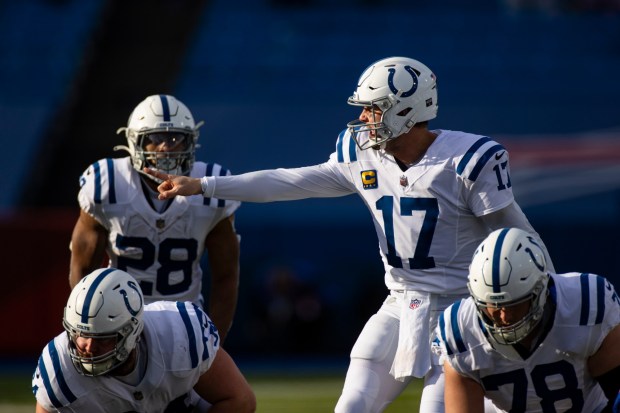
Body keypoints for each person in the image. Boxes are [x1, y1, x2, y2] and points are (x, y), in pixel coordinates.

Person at [144, 56, 555, 413]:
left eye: (373, 110)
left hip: (462, 310)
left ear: (406, 111)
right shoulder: (362, 154)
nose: (363, 119)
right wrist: (205, 186)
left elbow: (519, 236)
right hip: (402, 302)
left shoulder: (468, 160)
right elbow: (290, 181)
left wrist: (552, 296)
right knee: (351, 405)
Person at [69, 94, 241, 343]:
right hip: (116, 319)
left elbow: (226, 276)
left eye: (176, 138)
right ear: (135, 141)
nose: (166, 147)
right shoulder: (106, 184)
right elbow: (83, 270)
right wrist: (85, 327)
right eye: (156, 138)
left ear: (190, 142)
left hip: (185, 320)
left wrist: (213, 342)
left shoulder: (211, 186)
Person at [437, 227, 620, 413]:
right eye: (493, 306)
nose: (504, 316)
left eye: (514, 305)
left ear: (540, 290)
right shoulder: (461, 330)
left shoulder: (586, 305)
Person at [32, 267, 256, 412]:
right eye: (80, 334)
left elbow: (240, 401)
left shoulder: (180, 334)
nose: (88, 347)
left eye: (102, 338)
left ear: (131, 332)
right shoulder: (59, 370)